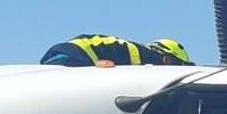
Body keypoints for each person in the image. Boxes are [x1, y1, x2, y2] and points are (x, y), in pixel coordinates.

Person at [39, 35, 191, 67]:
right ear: (166, 59)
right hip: (73, 55)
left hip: (62, 52)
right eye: (176, 64)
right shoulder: (146, 57)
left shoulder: (131, 49)